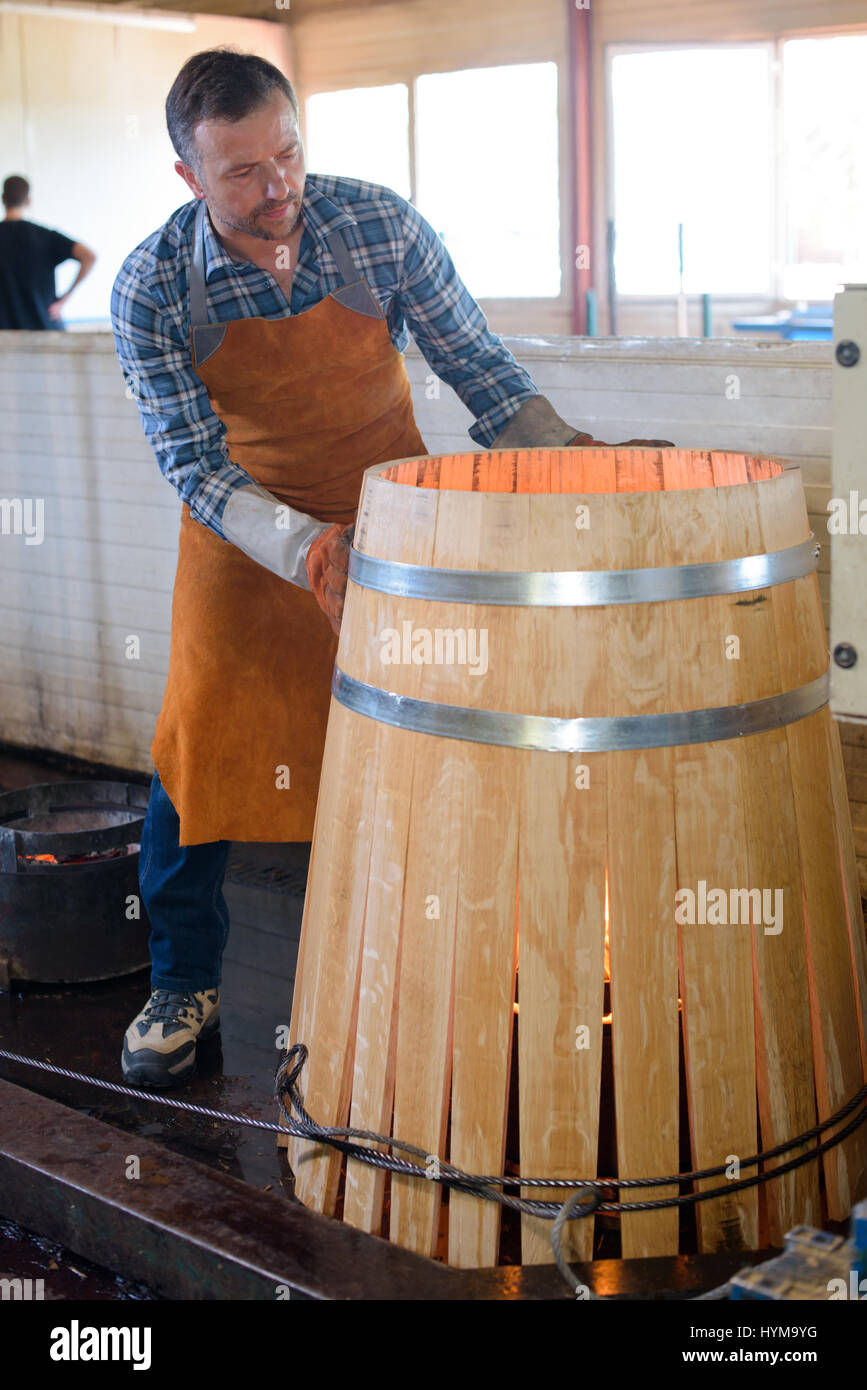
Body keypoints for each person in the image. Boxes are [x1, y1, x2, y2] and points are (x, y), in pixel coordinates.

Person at [111, 46, 673, 1088]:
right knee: (199, 756)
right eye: (242, 171)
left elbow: (483, 373)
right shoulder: (153, 286)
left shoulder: (377, 224)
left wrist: (576, 460)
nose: (277, 186)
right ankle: (181, 978)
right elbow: (190, 461)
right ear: (190, 177)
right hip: (248, 539)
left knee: (431, 745)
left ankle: (441, 962)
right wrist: (305, 545)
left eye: (288, 154)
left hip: (395, 523)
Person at [0, 176, 96, 330]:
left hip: (5, 337)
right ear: (28, 201)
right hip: (44, 329)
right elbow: (89, 256)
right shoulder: (45, 236)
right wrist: (63, 301)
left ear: (3, 199)